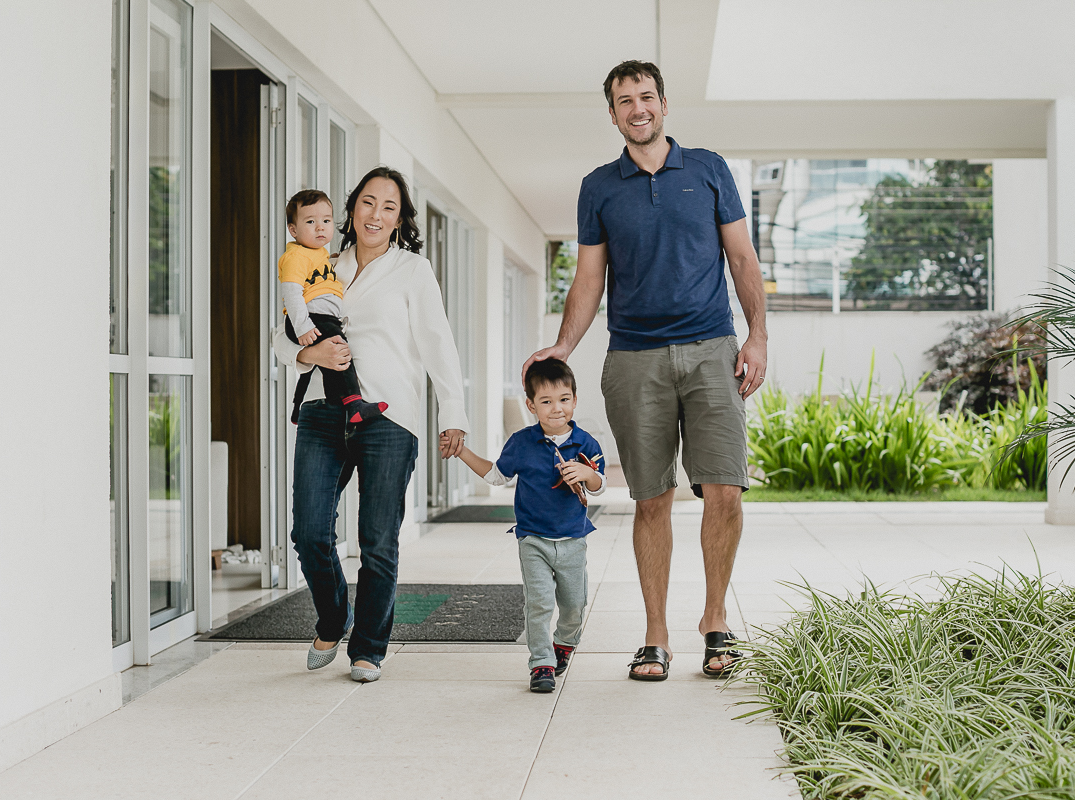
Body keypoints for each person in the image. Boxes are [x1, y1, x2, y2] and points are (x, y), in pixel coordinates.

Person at [524, 60, 768, 681]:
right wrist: (562, 346)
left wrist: (757, 337)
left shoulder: (709, 169)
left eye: (647, 96)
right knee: (651, 499)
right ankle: (655, 633)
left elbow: (742, 259)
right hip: (634, 357)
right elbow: (589, 278)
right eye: (625, 100)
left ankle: (714, 620)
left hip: (712, 348)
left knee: (725, 489)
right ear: (612, 114)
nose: (638, 108)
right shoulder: (599, 187)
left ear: (664, 103)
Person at [272, 167, 469, 682]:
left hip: (389, 416)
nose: (375, 214)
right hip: (322, 410)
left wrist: (453, 413)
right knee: (309, 531)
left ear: (399, 218)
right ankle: (334, 617)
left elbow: (438, 343)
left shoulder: (412, 270)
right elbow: (281, 335)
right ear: (352, 208)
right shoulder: (322, 261)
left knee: (378, 540)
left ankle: (369, 647)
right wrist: (308, 353)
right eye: (367, 202)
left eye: (388, 206)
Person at [441, 359, 605, 693]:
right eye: (546, 401)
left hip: (573, 539)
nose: (556, 408)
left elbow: (599, 484)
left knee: (574, 605)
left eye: (564, 399)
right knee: (539, 603)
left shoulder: (585, 443)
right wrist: (462, 452)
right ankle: (541, 662)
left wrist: (587, 474)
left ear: (574, 400)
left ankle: (564, 643)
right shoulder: (521, 442)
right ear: (531, 406)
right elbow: (496, 476)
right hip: (533, 540)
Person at [277, 188, 387, 426]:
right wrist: (303, 326)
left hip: (320, 318)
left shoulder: (319, 255)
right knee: (340, 352)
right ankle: (354, 404)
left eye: (326, 221)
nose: (320, 227)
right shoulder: (296, 257)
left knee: (315, 367)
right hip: (312, 318)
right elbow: (292, 293)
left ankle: (297, 408)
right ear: (293, 230)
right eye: (311, 222)